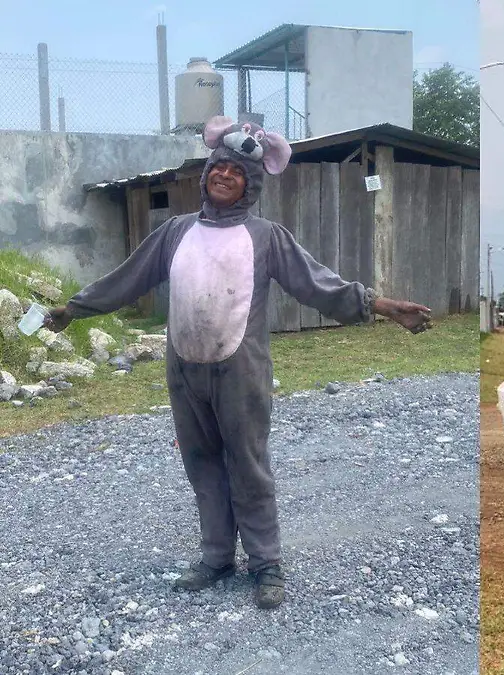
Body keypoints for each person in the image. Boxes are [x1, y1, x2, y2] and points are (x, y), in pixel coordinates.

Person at [43, 116, 433, 609]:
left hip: (241, 369)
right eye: (219, 167)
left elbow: (319, 285)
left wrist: (382, 305)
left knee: (247, 465)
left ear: (252, 183)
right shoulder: (174, 233)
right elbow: (127, 278)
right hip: (184, 369)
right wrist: (73, 310)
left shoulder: (266, 236)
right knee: (202, 465)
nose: (226, 175)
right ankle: (216, 557)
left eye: (238, 172)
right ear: (207, 173)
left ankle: (266, 563)